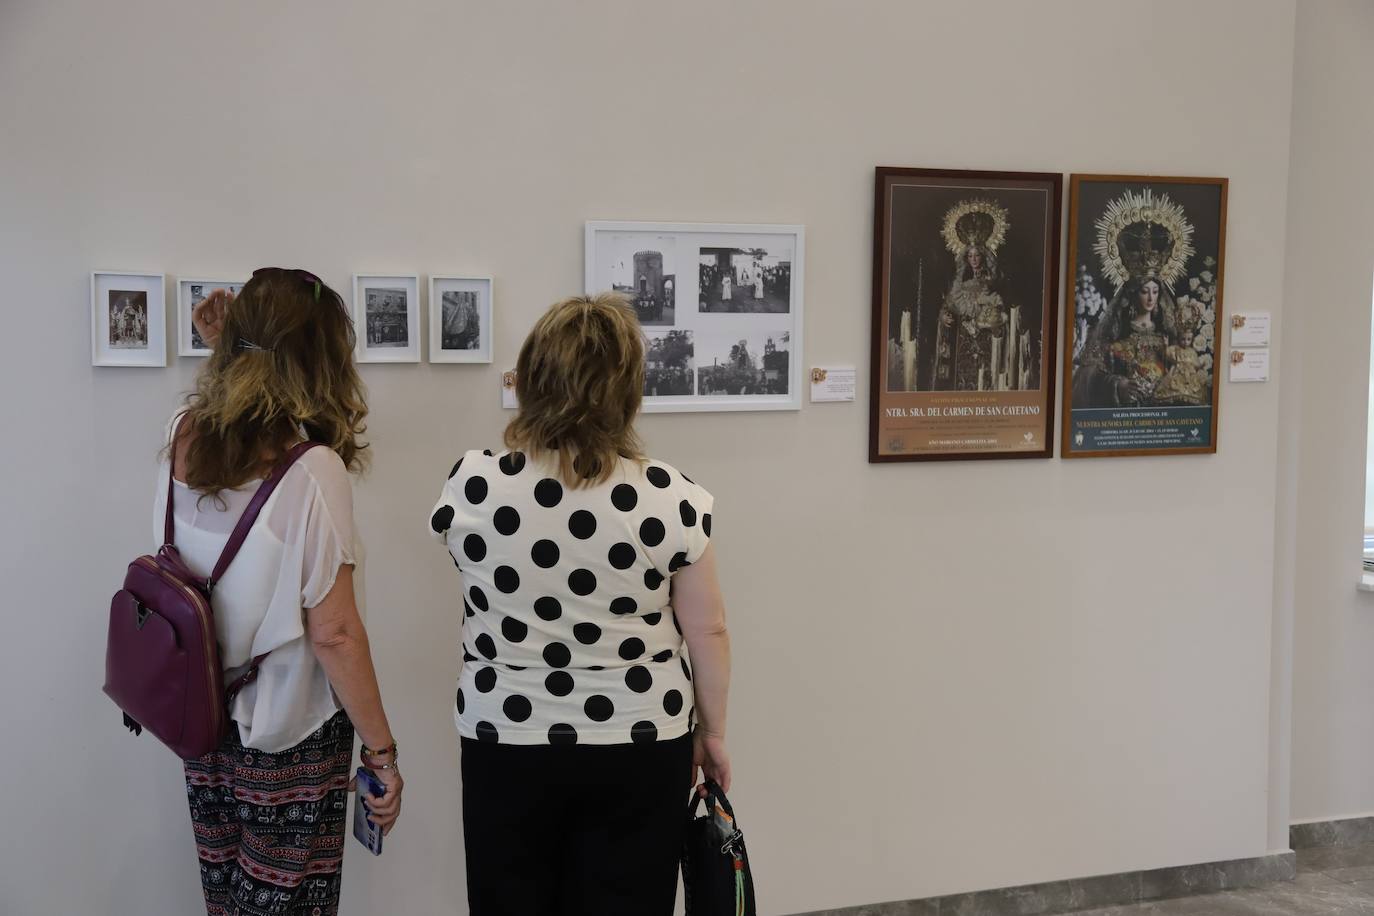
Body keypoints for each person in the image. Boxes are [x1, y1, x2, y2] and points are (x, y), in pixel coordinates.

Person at [429, 292, 733, 915]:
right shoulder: (673, 499)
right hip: (642, 739)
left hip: (506, 736)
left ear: (532, 378)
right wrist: (714, 732)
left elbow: (472, 574)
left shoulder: (474, 483)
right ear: (628, 390)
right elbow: (709, 632)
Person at [165, 269, 403, 916]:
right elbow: (335, 633)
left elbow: (236, 417)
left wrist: (228, 350)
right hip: (289, 738)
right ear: (322, 359)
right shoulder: (313, 470)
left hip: (204, 724)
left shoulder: (184, 433)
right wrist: (381, 751)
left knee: (229, 903)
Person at [1072, 275, 1182, 407]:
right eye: (1144, 291)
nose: (1150, 298)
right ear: (1134, 293)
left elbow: (1179, 370)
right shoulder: (1117, 332)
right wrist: (1119, 385)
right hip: (1126, 411)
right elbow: (1091, 377)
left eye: (1155, 291)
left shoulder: (1167, 334)